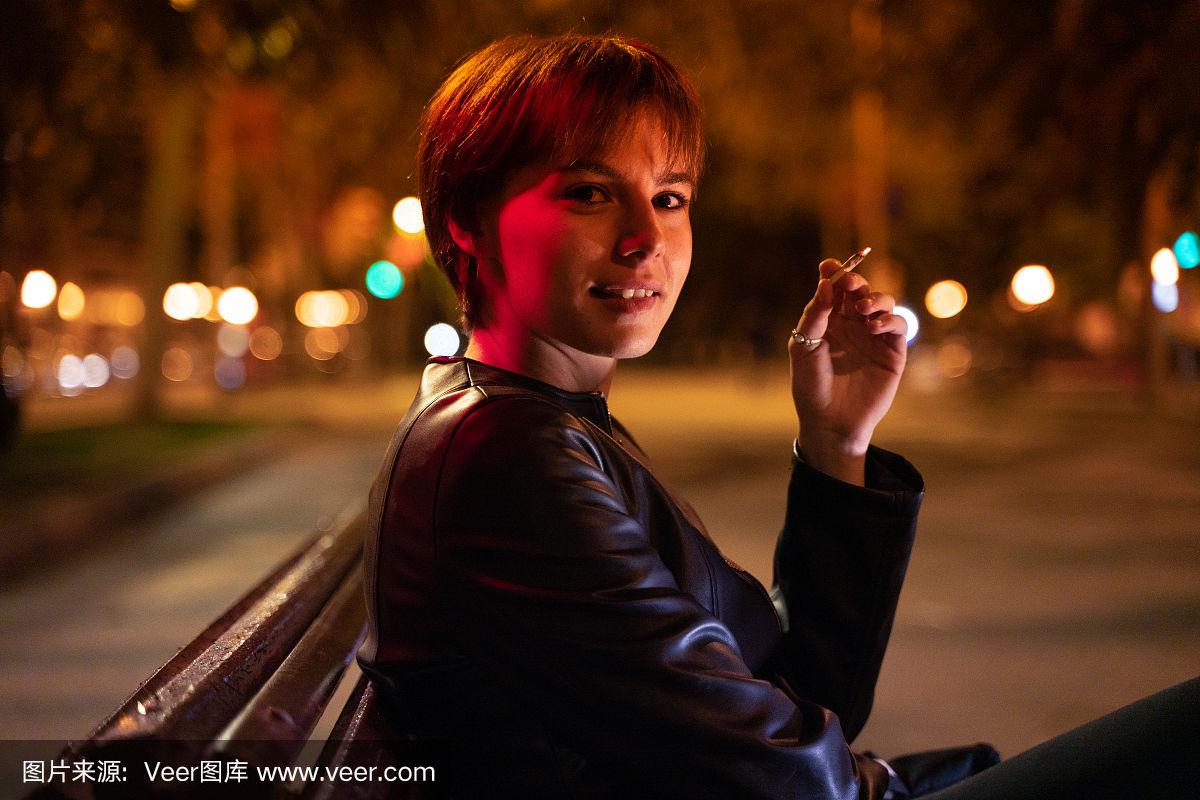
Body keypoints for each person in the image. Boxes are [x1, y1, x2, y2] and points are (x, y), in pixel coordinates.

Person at [357, 34, 1199, 799]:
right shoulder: (505, 455)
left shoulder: (550, 425)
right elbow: (782, 780)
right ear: (467, 221)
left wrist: (836, 444)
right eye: (589, 193)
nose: (646, 237)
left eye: (671, 196)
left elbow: (803, 702)